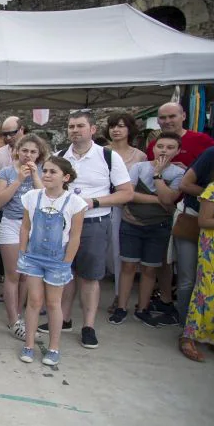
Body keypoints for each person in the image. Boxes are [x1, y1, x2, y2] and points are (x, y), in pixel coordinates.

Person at [46, 110, 133, 349]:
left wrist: (94, 202)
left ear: (92, 129)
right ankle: (63, 320)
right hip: (62, 224)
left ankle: (88, 326)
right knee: (65, 273)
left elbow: (127, 192)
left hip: (94, 222)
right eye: (71, 126)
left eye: (80, 126)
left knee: (90, 276)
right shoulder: (60, 156)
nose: (75, 130)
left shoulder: (108, 156)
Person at [146, 102, 214, 322]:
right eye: (162, 117)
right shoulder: (154, 145)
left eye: (172, 116)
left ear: (184, 116)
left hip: (194, 212)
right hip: (183, 213)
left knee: (202, 275)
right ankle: (183, 320)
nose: (167, 121)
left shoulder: (202, 141)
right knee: (172, 266)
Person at [17, 156, 88, 366]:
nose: (46, 175)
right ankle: (28, 344)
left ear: (65, 177)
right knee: (34, 301)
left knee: (53, 303)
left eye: (52, 172)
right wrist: (23, 251)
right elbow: (25, 227)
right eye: (45, 170)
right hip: (33, 257)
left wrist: (66, 262)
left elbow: (75, 236)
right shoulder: (32, 196)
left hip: (58, 260)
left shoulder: (75, 202)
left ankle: (54, 347)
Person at [109, 133, 183, 326]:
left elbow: (170, 199)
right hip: (132, 223)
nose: (164, 151)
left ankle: (142, 308)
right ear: (153, 147)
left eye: (170, 147)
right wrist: (162, 200)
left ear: (177, 151)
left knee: (150, 269)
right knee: (128, 266)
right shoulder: (139, 167)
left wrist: (158, 175)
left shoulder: (178, 173)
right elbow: (130, 194)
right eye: (160, 146)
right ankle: (121, 307)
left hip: (158, 228)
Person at [0, 134, 47, 339]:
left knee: (27, 275)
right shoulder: (7, 172)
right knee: (13, 274)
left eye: (33, 151)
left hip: (35, 227)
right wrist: (18, 180)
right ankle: (13, 320)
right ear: (18, 151)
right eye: (25, 150)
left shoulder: (43, 172)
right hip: (11, 224)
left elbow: (46, 200)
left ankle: (21, 315)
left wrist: (34, 177)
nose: (28, 155)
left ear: (39, 154)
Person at [105, 112, 147, 310]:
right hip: (101, 204)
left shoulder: (139, 156)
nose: (116, 129)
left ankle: (117, 295)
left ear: (129, 129)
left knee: (119, 252)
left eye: (121, 126)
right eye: (113, 126)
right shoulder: (101, 151)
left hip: (126, 209)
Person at [174, 146, 214, 329]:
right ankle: (188, 330)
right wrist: (211, 198)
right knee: (188, 279)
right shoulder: (213, 154)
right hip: (193, 220)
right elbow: (185, 184)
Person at [178, 171, 214, 362]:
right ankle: (189, 336)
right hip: (213, 248)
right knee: (206, 292)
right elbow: (204, 221)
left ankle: (212, 336)